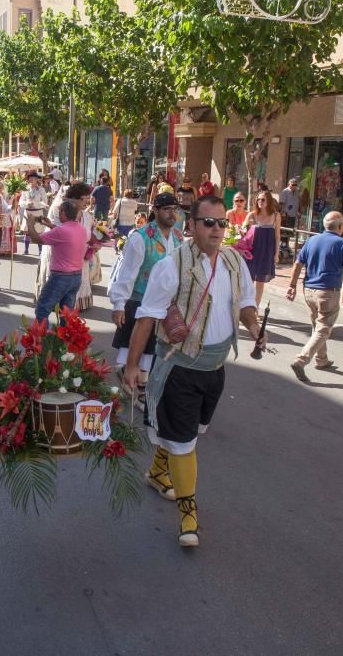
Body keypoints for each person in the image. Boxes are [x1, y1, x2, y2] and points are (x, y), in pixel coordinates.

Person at [123, 195, 263, 547]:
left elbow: (246, 303)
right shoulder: (171, 266)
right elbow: (147, 318)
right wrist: (131, 365)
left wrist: (256, 329)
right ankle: (188, 514)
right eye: (209, 223)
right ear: (193, 225)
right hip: (179, 369)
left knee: (186, 433)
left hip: (214, 368)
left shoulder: (235, 262)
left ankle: (157, 471)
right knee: (185, 444)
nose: (217, 230)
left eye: (222, 223)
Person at [285, 211, 343, 382]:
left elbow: (298, 263)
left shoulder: (312, 240)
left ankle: (322, 360)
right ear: (341, 227)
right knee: (323, 329)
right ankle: (301, 360)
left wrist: (292, 285)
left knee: (317, 326)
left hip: (309, 291)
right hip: (328, 292)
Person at [109, 193, 183, 403]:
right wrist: (119, 304)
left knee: (154, 352)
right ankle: (136, 389)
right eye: (167, 209)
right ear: (156, 210)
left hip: (166, 304)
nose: (172, 213)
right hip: (140, 302)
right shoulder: (140, 237)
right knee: (140, 349)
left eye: (175, 209)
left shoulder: (178, 237)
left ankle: (140, 386)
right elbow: (127, 273)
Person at [26, 198, 89, 324]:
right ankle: (63, 340)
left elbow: (36, 239)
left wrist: (30, 224)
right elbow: (66, 234)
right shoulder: (81, 229)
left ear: (63, 212)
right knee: (66, 313)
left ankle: (44, 341)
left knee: (42, 310)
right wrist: (50, 225)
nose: (58, 213)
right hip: (76, 276)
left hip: (60, 277)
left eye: (60, 211)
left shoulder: (61, 231)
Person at [243, 190, 280, 308]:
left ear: (268, 200)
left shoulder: (275, 216)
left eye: (263, 199)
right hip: (252, 251)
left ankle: (256, 308)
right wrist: (244, 229)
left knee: (260, 281)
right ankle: (246, 307)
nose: (260, 201)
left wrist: (276, 254)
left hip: (267, 251)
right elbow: (242, 231)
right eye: (258, 199)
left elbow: (277, 235)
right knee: (249, 281)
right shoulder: (252, 215)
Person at [19, 171, 48, 255]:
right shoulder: (25, 189)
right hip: (28, 212)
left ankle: (40, 250)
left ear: (37, 180)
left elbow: (44, 202)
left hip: (38, 213)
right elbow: (21, 201)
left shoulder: (41, 190)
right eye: (30, 179)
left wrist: (35, 204)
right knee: (27, 232)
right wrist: (26, 203)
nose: (31, 180)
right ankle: (26, 249)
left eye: (33, 179)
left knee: (38, 232)